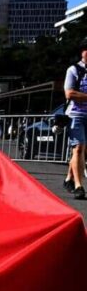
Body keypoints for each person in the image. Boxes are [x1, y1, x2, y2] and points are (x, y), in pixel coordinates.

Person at [63, 38, 87, 199]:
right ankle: (79, 186)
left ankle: (69, 178)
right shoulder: (74, 70)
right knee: (78, 147)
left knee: (82, 150)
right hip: (76, 115)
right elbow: (69, 93)